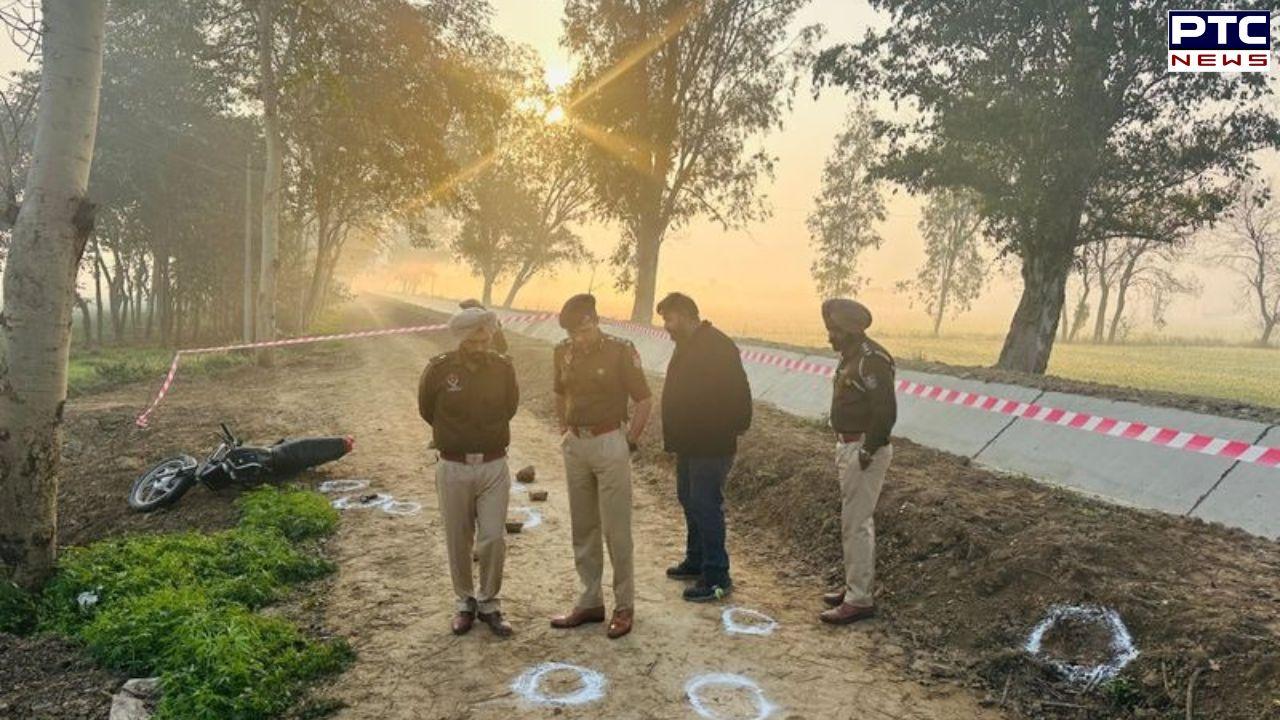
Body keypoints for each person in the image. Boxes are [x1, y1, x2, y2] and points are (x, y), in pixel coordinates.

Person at [549, 293, 652, 639]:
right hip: (576, 445)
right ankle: (590, 600)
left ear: (595, 320)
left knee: (616, 529)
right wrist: (564, 429)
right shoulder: (561, 352)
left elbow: (644, 399)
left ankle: (624, 605)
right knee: (584, 527)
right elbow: (560, 393)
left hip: (610, 442)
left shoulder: (620, 350)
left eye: (584, 330)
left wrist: (631, 440)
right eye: (574, 334)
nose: (580, 338)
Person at [417, 307, 518, 637]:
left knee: (492, 538)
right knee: (458, 539)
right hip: (453, 466)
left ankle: (490, 602)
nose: (480, 344)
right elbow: (427, 410)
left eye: (485, 338)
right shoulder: (439, 369)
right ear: (461, 337)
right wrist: (456, 435)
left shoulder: (503, 368)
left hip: (493, 465)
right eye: (473, 339)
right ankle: (465, 602)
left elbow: (510, 407)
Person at [655, 292, 752, 602]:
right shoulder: (688, 345)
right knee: (689, 498)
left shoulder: (718, 346)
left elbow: (740, 394)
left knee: (706, 504)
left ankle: (716, 575)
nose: (666, 327)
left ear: (685, 315)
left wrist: (729, 430)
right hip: (690, 442)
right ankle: (695, 559)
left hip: (711, 444)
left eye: (669, 319)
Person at [819, 298, 897, 625]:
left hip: (864, 450)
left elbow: (885, 412)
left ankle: (860, 598)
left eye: (834, 331)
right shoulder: (851, 357)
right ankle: (854, 586)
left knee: (857, 523)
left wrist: (868, 450)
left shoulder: (871, 361)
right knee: (851, 520)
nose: (830, 337)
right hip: (849, 447)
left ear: (850, 331)